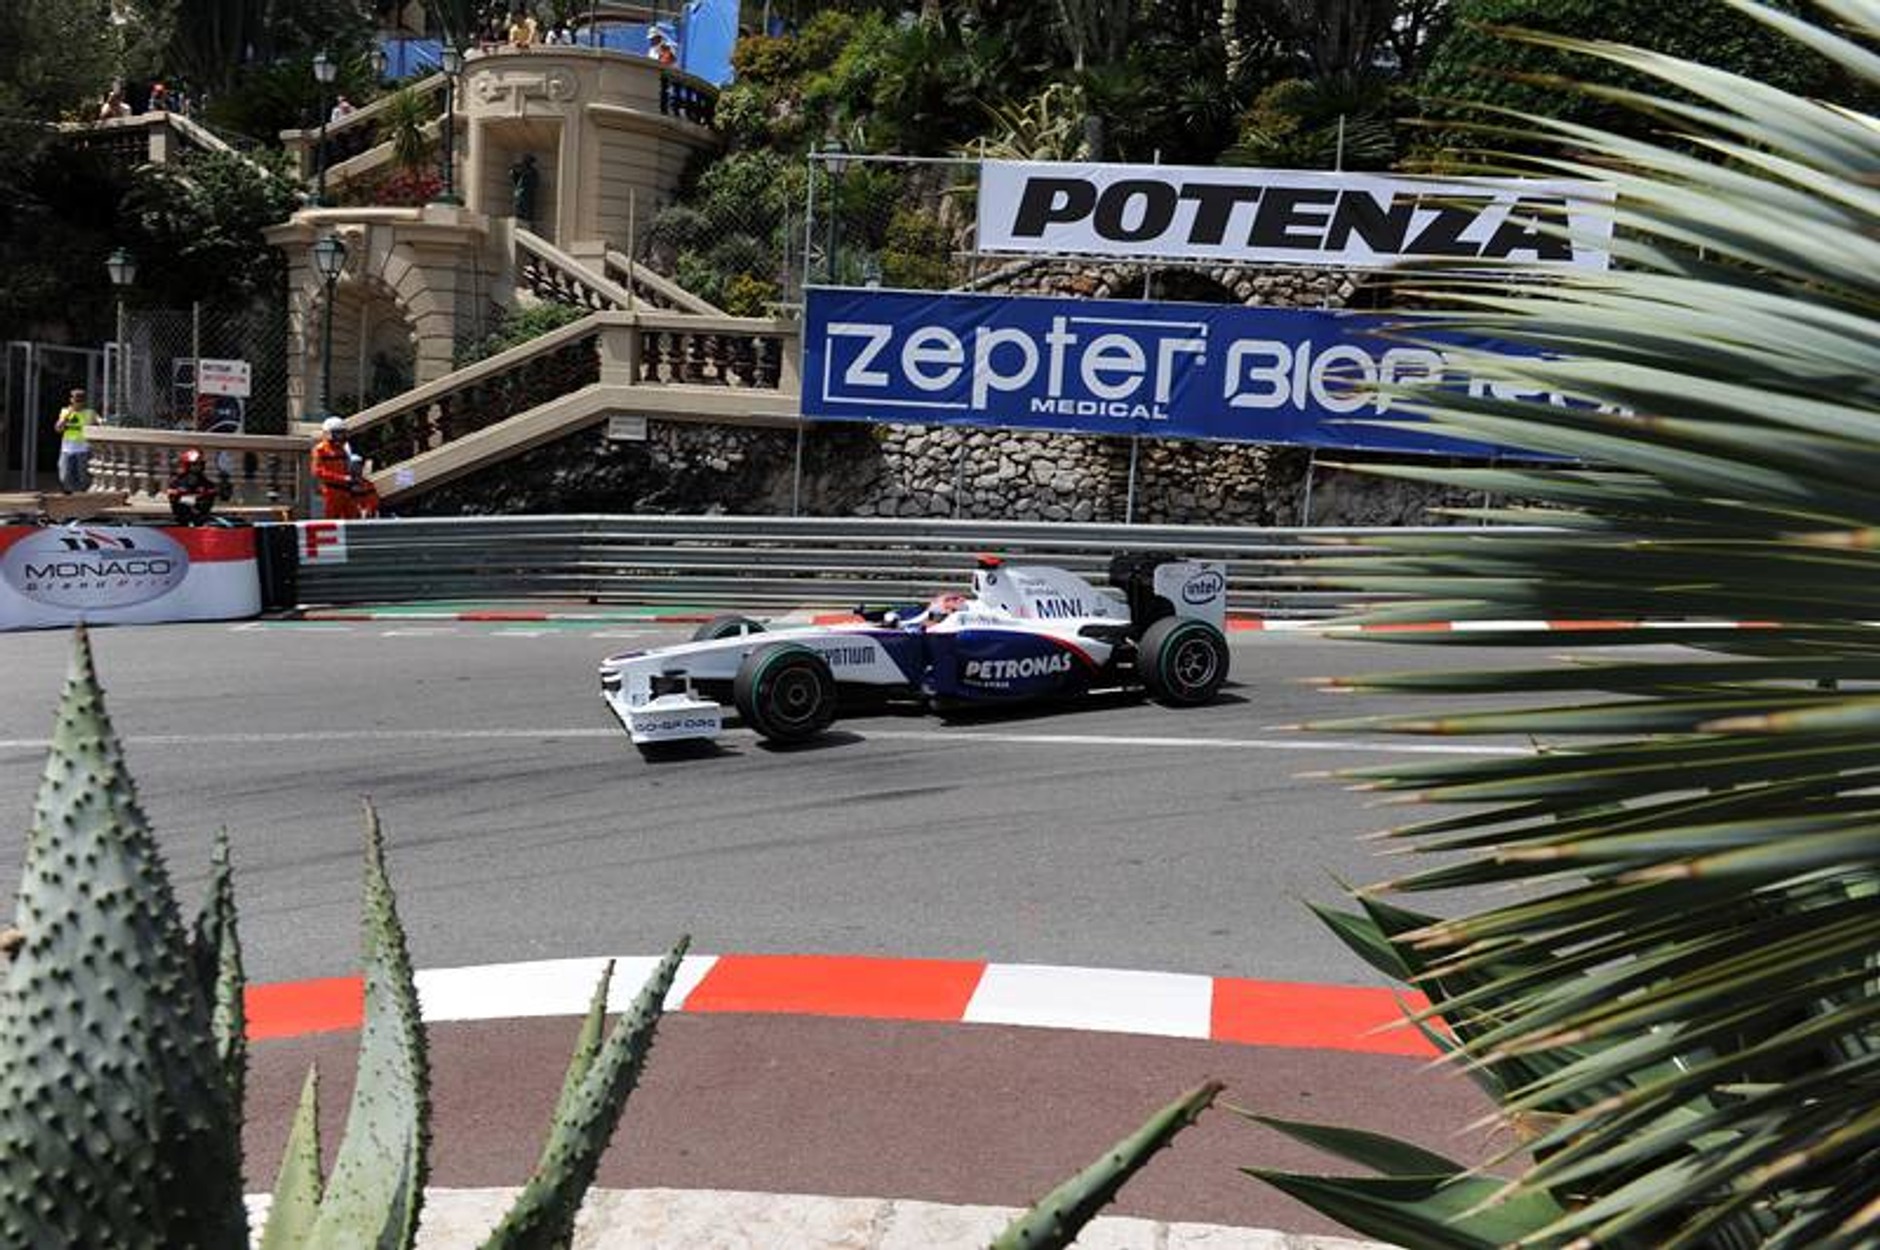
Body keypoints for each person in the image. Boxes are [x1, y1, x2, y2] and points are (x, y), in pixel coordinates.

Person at [53, 388, 103, 493]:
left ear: (84, 401)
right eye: (75, 400)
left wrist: (100, 421)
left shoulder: (90, 413)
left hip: (83, 449)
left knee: (83, 477)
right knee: (64, 476)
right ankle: (72, 494)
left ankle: (80, 496)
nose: (77, 403)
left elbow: (101, 422)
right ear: (71, 400)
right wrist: (66, 417)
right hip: (67, 449)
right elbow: (58, 429)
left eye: (80, 400)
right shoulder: (65, 411)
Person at [312, 415, 360, 519]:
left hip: (346, 491)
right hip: (330, 491)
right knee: (330, 521)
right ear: (328, 434)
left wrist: (354, 478)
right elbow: (318, 471)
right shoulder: (320, 449)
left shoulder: (343, 449)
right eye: (337, 434)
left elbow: (348, 467)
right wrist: (342, 478)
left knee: (351, 520)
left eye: (342, 433)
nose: (341, 437)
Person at [165, 448, 218, 523]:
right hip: (180, 521)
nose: (198, 467)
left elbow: (207, 501)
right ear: (187, 465)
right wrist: (195, 499)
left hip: (202, 520)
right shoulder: (176, 482)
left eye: (200, 464)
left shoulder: (207, 484)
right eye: (194, 464)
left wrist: (188, 498)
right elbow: (174, 499)